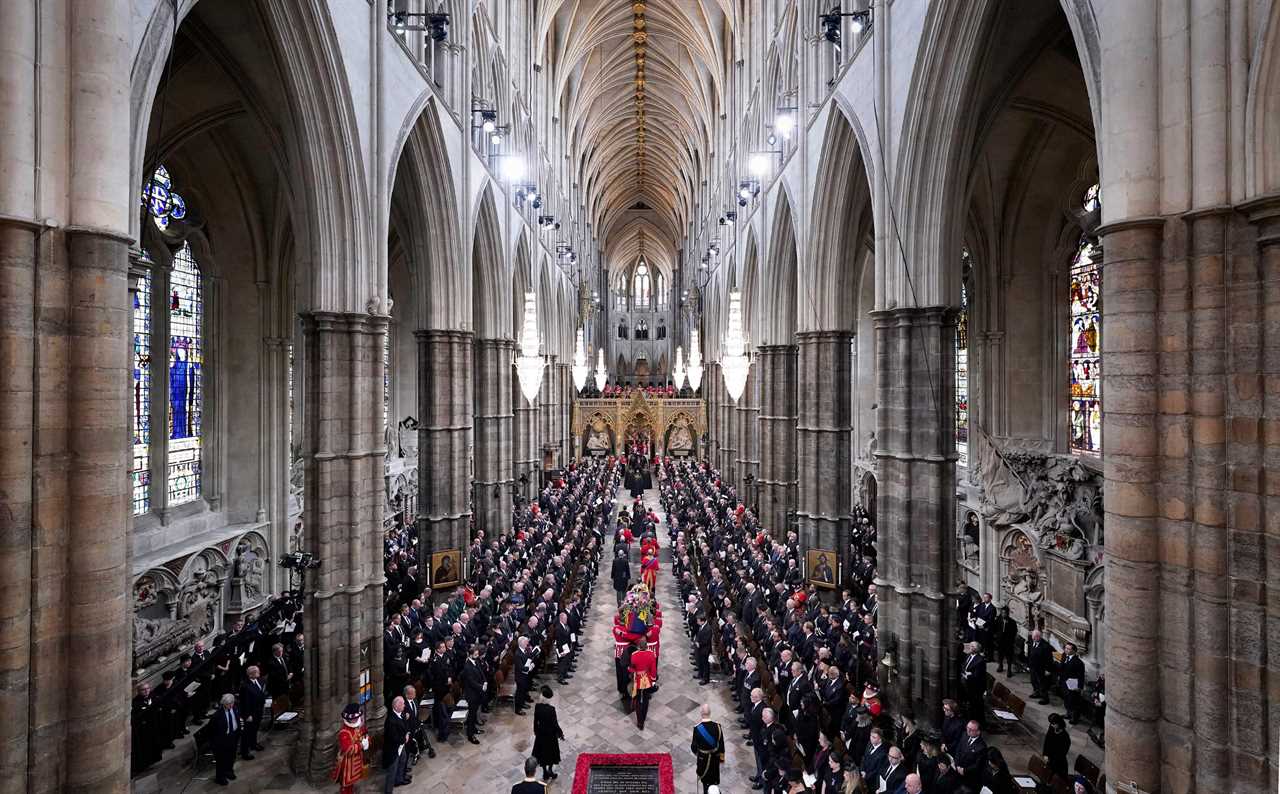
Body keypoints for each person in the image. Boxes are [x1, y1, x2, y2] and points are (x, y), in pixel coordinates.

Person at [330, 703, 369, 794]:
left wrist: (367, 740)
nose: (356, 720)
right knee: (345, 784)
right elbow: (348, 749)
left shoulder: (359, 725)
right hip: (347, 763)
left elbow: (364, 734)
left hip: (357, 760)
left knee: (352, 783)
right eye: (353, 719)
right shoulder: (344, 732)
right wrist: (361, 745)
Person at [691, 703, 726, 794]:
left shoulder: (697, 728)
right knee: (713, 781)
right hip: (715, 758)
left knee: (705, 781)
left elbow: (694, 747)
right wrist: (721, 758)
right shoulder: (717, 726)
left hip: (703, 759)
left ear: (701, 713)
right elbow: (721, 744)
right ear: (710, 713)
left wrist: (699, 754)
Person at [532, 686, 564, 781]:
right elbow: (555, 724)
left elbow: (535, 721)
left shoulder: (537, 707)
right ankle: (550, 770)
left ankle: (545, 772)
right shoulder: (551, 709)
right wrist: (560, 733)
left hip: (541, 734)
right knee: (551, 754)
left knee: (542, 754)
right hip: (550, 735)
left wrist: (536, 731)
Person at [130, 683, 164, 774]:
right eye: (143, 689)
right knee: (147, 745)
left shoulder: (153, 696)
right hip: (144, 728)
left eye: (148, 688)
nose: (146, 691)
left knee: (156, 741)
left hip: (155, 724)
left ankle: (156, 757)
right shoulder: (135, 702)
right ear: (138, 691)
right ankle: (148, 762)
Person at [209, 693, 242, 786]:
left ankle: (229, 771)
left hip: (233, 736)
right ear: (223, 703)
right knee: (221, 759)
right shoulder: (217, 715)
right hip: (222, 739)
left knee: (232, 756)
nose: (230, 705)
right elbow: (211, 731)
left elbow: (237, 719)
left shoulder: (235, 708)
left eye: (232, 703)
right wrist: (214, 744)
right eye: (228, 704)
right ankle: (220, 777)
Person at [382, 696, 412, 793]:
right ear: (396, 706)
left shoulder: (401, 713)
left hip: (401, 746)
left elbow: (405, 724)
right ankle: (388, 791)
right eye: (402, 704)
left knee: (403, 760)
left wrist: (407, 732)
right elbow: (393, 738)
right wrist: (404, 739)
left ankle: (399, 780)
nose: (404, 706)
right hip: (393, 749)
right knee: (392, 770)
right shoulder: (391, 720)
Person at [238, 665, 267, 760]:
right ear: (251, 674)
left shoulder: (260, 680)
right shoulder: (245, 686)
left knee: (255, 729)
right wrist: (247, 715)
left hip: (258, 710)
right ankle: (244, 752)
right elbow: (244, 702)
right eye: (257, 672)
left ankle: (253, 744)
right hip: (250, 713)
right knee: (247, 732)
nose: (259, 673)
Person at [628, 638, 658, 730]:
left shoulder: (634, 655)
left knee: (637, 699)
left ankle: (639, 721)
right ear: (646, 646)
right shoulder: (651, 655)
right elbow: (653, 669)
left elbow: (632, 668)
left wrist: (630, 670)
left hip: (638, 679)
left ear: (638, 646)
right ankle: (643, 717)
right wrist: (653, 680)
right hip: (647, 679)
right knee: (645, 699)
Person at [461, 644, 487, 744]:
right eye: (475, 654)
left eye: (477, 654)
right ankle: (470, 735)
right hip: (472, 694)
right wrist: (481, 687)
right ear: (470, 655)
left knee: (475, 713)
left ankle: (474, 729)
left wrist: (485, 681)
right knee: (471, 715)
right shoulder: (467, 666)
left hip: (478, 692)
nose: (477, 656)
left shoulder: (476, 661)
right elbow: (471, 681)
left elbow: (481, 673)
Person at [952, 720, 987, 790]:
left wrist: (964, 770)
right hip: (957, 769)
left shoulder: (982, 747)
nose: (968, 730)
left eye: (971, 729)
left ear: (978, 732)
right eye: (967, 728)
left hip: (968, 777)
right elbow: (958, 750)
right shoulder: (964, 735)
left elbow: (977, 765)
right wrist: (957, 765)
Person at [959, 641, 987, 722]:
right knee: (967, 703)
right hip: (965, 683)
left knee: (974, 705)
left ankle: (974, 720)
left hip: (975, 687)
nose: (970, 647)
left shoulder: (980, 660)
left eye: (972, 646)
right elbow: (964, 666)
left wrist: (969, 675)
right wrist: (965, 672)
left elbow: (978, 675)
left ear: (976, 649)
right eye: (970, 646)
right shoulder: (968, 655)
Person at [1059, 642, 1086, 723]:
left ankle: (1074, 717)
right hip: (1064, 682)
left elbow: (1081, 676)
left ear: (1074, 651)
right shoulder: (1064, 656)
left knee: (1073, 701)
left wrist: (1079, 687)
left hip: (1073, 683)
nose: (1066, 650)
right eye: (1066, 648)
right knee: (1066, 699)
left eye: (1068, 649)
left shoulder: (1078, 662)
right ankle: (1068, 713)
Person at [1026, 629, 1054, 704]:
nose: (1033, 638)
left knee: (1042, 684)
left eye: (1034, 637)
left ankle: (1045, 698)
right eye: (1032, 636)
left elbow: (1049, 660)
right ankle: (1036, 692)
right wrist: (1029, 665)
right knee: (1033, 681)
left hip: (1041, 668)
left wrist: (1048, 670)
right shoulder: (1032, 642)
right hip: (1033, 667)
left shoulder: (1045, 646)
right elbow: (1030, 655)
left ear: (1038, 637)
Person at [1043, 713, 1071, 778]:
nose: (1051, 725)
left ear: (1059, 723)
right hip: (1050, 757)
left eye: (1053, 724)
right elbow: (1047, 741)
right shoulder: (1051, 728)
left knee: (1056, 778)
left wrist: (1052, 760)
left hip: (1058, 761)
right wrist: (1045, 754)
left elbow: (1062, 753)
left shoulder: (1065, 737)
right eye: (1051, 723)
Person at [695, 614, 713, 685]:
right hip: (700, 648)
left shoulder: (708, 629)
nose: (697, 622)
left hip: (705, 649)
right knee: (700, 662)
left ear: (702, 621)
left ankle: (706, 679)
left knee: (705, 664)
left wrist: (699, 643)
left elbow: (706, 640)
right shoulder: (702, 626)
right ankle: (700, 674)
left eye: (698, 621)